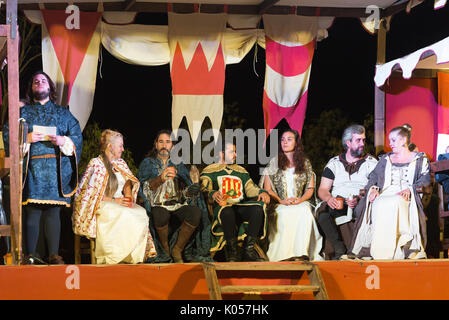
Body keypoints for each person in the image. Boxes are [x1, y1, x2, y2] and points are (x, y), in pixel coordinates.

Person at [3, 71, 82, 264]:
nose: (39, 82)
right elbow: (8, 133)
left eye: (43, 80)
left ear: (50, 88)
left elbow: (77, 137)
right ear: (31, 88)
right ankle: (31, 255)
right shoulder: (22, 113)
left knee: (53, 211)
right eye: (36, 81)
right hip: (32, 168)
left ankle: (53, 255)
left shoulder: (63, 113)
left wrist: (63, 140)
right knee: (32, 209)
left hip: (56, 169)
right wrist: (26, 138)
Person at [72, 129, 157, 264]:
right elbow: (91, 194)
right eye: (120, 146)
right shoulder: (96, 164)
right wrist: (114, 200)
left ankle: (131, 256)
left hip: (119, 201)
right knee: (119, 213)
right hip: (102, 202)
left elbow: (127, 182)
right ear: (110, 146)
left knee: (140, 213)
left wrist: (128, 195)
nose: (123, 149)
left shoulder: (121, 163)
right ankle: (114, 257)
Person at [350, 124, 430, 260]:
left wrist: (410, 189)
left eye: (393, 140)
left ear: (403, 140)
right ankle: (377, 251)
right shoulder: (385, 160)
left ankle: (403, 248)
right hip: (385, 192)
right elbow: (373, 178)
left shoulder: (419, 160)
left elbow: (425, 179)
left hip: (406, 193)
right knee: (379, 203)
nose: (390, 143)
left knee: (396, 202)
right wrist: (373, 189)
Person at [137, 130, 212, 263]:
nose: (164, 145)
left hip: (177, 204)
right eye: (161, 142)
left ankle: (177, 249)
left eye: (168, 142)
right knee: (160, 214)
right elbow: (142, 189)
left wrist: (191, 191)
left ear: (172, 145)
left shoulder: (179, 164)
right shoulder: (147, 163)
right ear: (156, 144)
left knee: (195, 213)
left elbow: (184, 192)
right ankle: (165, 250)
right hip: (157, 204)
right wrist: (160, 178)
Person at [200, 141, 270, 262]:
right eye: (232, 152)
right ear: (221, 153)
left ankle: (248, 250)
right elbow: (204, 188)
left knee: (258, 209)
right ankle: (231, 253)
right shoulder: (210, 170)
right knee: (228, 211)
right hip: (222, 208)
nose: (235, 155)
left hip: (239, 206)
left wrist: (262, 192)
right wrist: (213, 193)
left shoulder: (240, 171)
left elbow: (250, 188)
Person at [259, 130, 323, 261]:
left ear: (296, 143)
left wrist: (300, 200)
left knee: (304, 211)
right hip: (279, 203)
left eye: (289, 139)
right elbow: (268, 189)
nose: (285, 142)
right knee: (283, 213)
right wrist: (281, 201)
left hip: (300, 201)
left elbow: (310, 189)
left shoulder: (305, 163)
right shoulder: (273, 163)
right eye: (282, 139)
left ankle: (302, 252)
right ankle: (283, 255)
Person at [317, 124, 377, 260]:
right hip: (339, 202)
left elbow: (376, 186)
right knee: (323, 214)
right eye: (358, 140)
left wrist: (360, 198)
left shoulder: (371, 162)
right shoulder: (334, 163)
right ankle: (339, 248)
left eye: (364, 140)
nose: (362, 144)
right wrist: (329, 199)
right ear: (348, 143)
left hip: (361, 202)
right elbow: (323, 189)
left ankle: (361, 251)